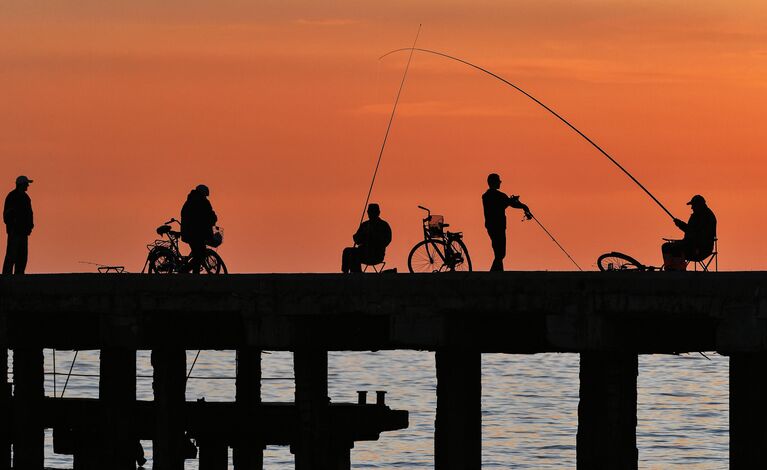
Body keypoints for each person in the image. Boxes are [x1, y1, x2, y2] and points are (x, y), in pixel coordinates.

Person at [482, 173, 532, 272]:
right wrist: (524, 206)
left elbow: (501, 205)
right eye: (498, 181)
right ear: (494, 182)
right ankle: (493, 274)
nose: (500, 182)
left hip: (490, 226)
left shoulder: (485, 196)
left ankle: (499, 273)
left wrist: (510, 201)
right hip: (499, 227)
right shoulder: (499, 196)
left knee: (498, 252)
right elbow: (511, 204)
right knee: (500, 253)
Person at [662, 194, 716, 271]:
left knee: (677, 247)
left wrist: (680, 224)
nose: (692, 207)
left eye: (693, 205)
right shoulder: (696, 215)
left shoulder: (707, 217)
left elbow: (694, 232)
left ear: (699, 205)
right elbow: (691, 230)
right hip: (691, 244)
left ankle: (679, 269)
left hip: (700, 248)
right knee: (666, 246)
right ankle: (670, 268)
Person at [342, 203, 392, 273]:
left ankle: (356, 275)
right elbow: (357, 240)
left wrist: (373, 235)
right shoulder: (365, 225)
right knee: (347, 251)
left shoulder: (383, 225)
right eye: (370, 212)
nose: (371, 214)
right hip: (363, 252)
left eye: (373, 212)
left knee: (355, 255)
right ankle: (346, 273)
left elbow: (387, 241)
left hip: (376, 254)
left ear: (378, 213)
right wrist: (361, 234)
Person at [181, 184, 217, 273]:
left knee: (198, 253)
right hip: (197, 233)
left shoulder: (189, 201)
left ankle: (192, 273)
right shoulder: (203, 202)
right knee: (200, 254)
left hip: (189, 232)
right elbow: (209, 215)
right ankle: (188, 272)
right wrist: (213, 220)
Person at [3, 176, 34, 275]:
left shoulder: (25, 198)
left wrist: (30, 226)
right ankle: (6, 278)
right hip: (15, 232)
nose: (27, 186)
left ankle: (19, 278)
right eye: (26, 184)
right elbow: (7, 215)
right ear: (21, 185)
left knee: (22, 257)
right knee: (11, 256)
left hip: (23, 233)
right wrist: (13, 226)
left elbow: (29, 213)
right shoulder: (12, 197)